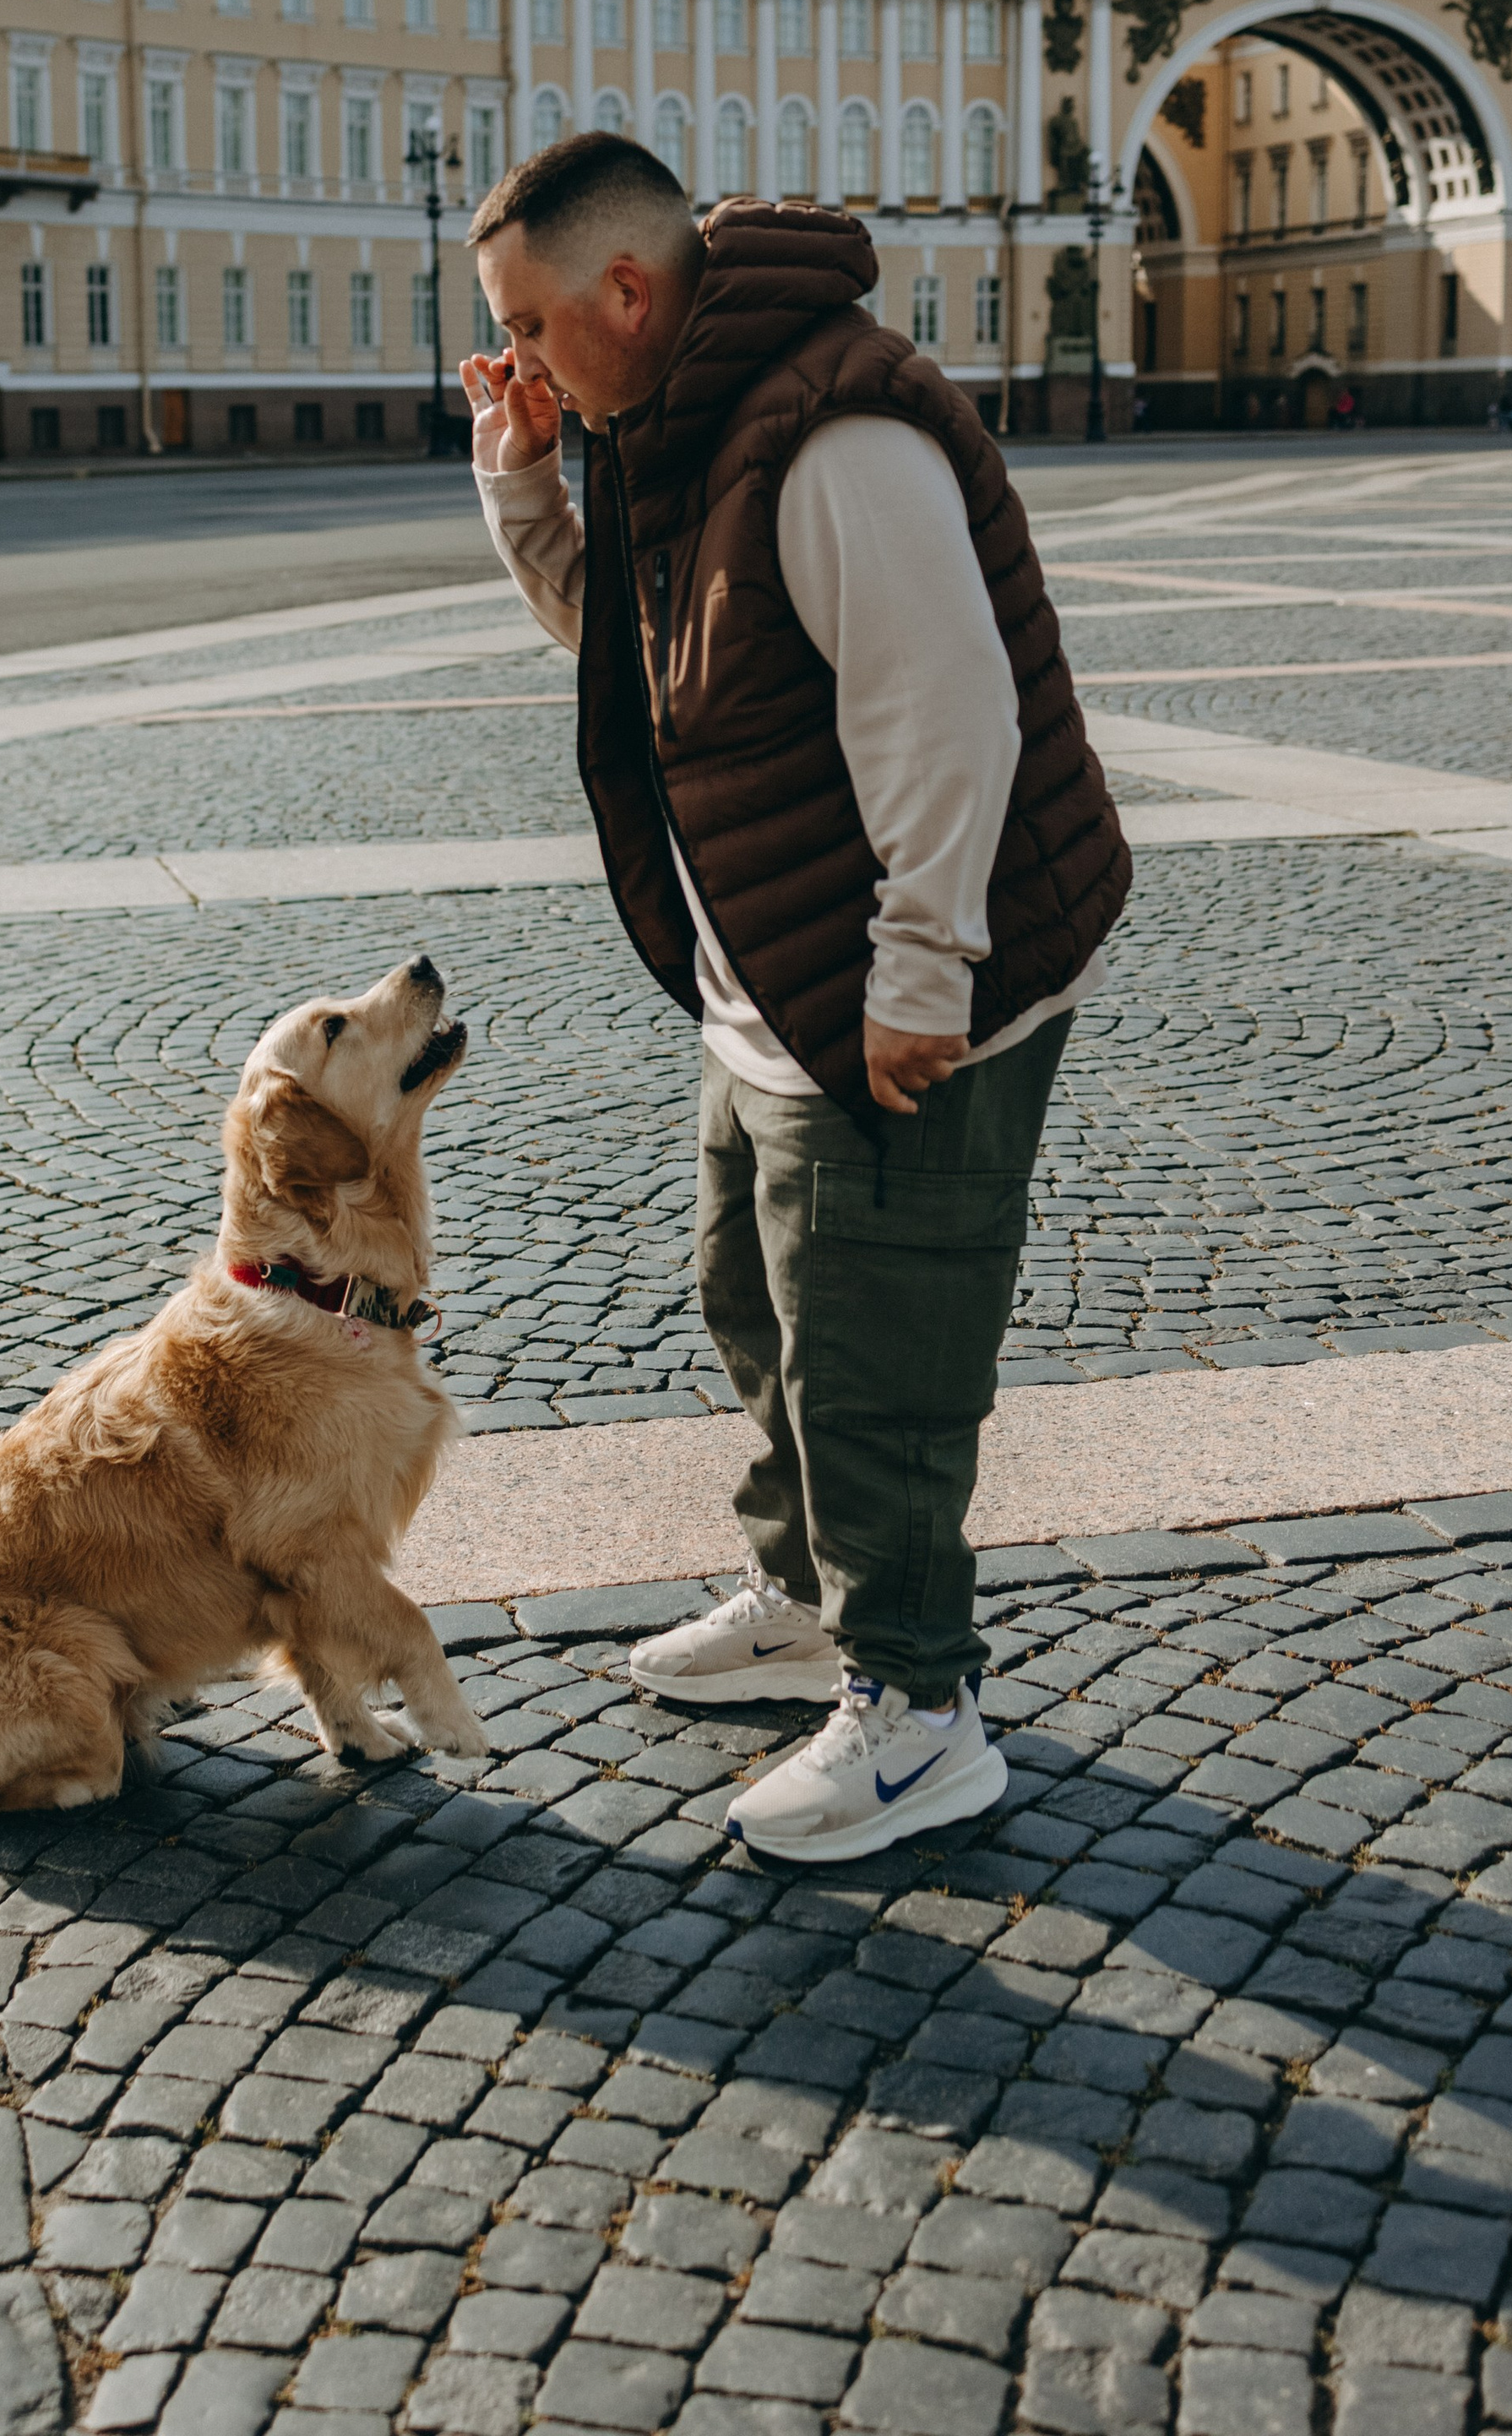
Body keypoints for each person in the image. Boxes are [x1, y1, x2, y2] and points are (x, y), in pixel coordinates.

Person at [459, 134, 1129, 1865]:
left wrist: (921, 976)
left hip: (898, 990)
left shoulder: (831, 433)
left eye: (528, 326)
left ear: (626, 290)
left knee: (874, 1361)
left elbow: (946, 714)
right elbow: (645, 661)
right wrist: (524, 483)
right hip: (772, 976)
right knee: (755, 1304)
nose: (518, 357)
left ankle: (919, 1713)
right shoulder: (677, 425)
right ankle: (803, 1606)